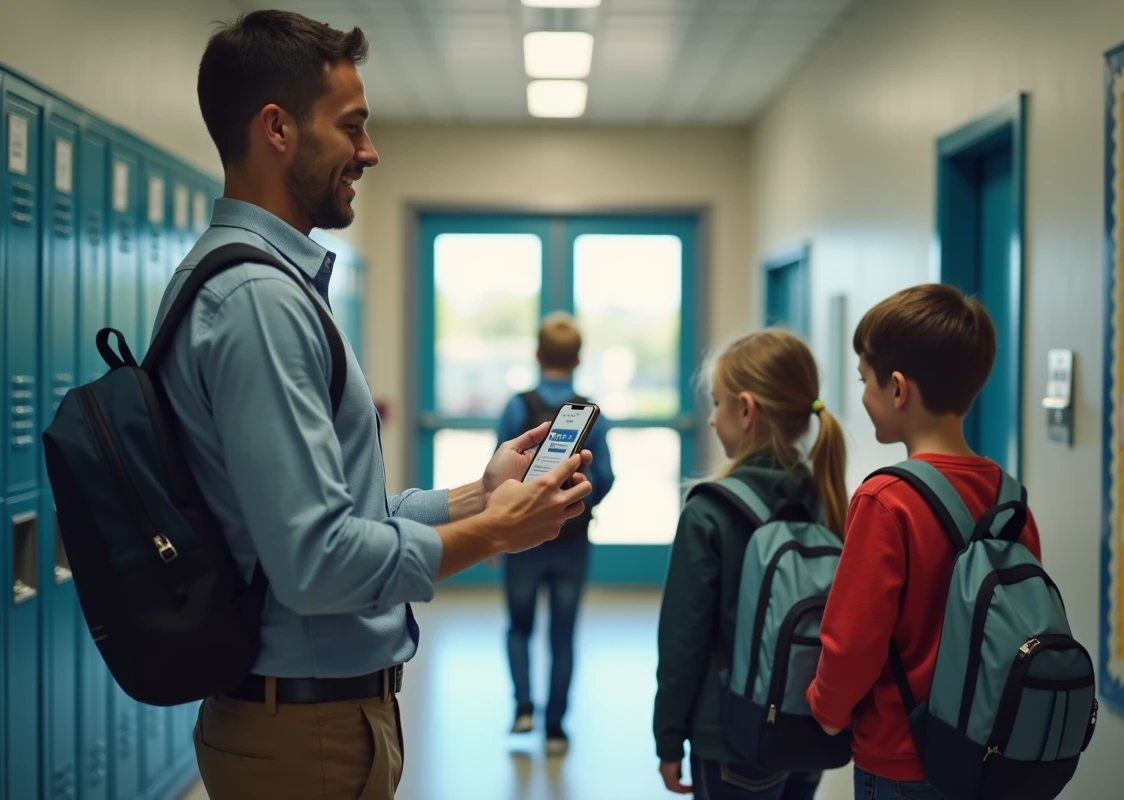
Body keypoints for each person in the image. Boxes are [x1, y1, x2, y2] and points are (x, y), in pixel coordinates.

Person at [157, 11, 593, 799]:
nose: (369, 151)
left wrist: (477, 496)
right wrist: (494, 533)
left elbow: (333, 516)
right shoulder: (260, 300)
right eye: (351, 126)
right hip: (304, 737)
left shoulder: (263, 285)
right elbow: (318, 562)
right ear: (277, 129)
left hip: (312, 721)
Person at [806, 284, 1042, 800]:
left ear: (897, 389)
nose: (863, 397)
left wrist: (825, 710)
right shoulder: (1009, 497)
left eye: (864, 381)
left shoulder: (884, 498)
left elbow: (852, 642)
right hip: (990, 752)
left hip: (901, 759)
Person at [654, 329, 847, 800]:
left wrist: (668, 737)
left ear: (746, 409)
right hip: (809, 732)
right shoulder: (827, 495)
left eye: (717, 403)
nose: (713, 419)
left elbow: (684, 638)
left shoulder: (709, 511)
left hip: (731, 736)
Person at [493, 312, 615, 755]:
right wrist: (573, 506)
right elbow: (604, 476)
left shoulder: (516, 407)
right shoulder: (590, 411)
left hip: (521, 539)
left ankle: (523, 707)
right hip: (572, 543)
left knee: (519, 626)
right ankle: (557, 728)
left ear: (537, 355)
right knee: (563, 634)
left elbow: (498, 475)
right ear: (578, 359)